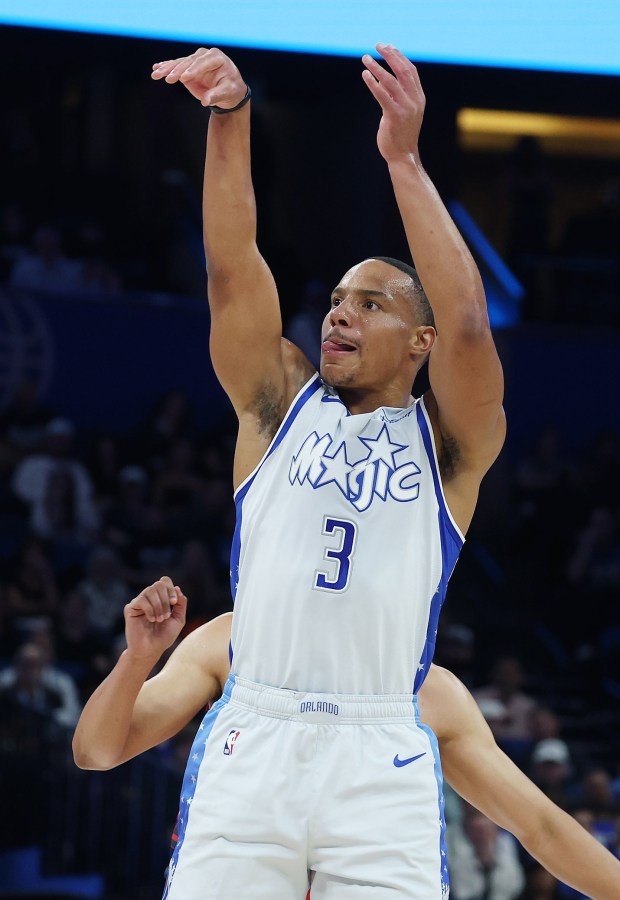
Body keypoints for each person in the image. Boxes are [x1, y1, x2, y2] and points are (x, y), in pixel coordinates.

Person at [149, 42, 506, 898]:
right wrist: (229, 119)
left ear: (416, 344)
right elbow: (234, 269)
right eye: (339, 300)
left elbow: (464, 324)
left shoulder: (449, 444)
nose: (340, 314)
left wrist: (403, 159)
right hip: (255, 734)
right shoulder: (277, 404)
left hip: (378, 751)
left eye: (372, 304)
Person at [73, 579, 620, 900]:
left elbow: (542, 826)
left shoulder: (429, 692)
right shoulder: (236, 641)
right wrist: (139, 659)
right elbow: (96, 752)